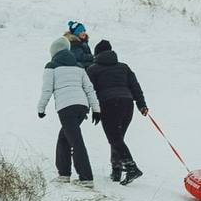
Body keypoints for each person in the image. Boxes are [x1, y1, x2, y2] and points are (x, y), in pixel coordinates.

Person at [38, 37, 100, 187]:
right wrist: (96, 109)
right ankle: (64, 174)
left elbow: (47, 89)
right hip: (82, 106)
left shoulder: (51, 66)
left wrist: (41, 108)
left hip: (66, 107)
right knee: (64, 138)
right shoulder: (78, 66)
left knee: (75, 141)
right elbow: (89, 89)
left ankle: (86, 178)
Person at [86, 39, 149, 185]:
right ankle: (116, 170)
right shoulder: (124, 67)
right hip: (127, 104)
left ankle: (131, 167)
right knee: (118, 138)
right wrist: (142, 105)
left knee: (114, 138)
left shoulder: (93, 69)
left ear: (97, 54)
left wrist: (92, 108)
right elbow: (135, 87)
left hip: (109, 104)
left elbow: (89, 91)